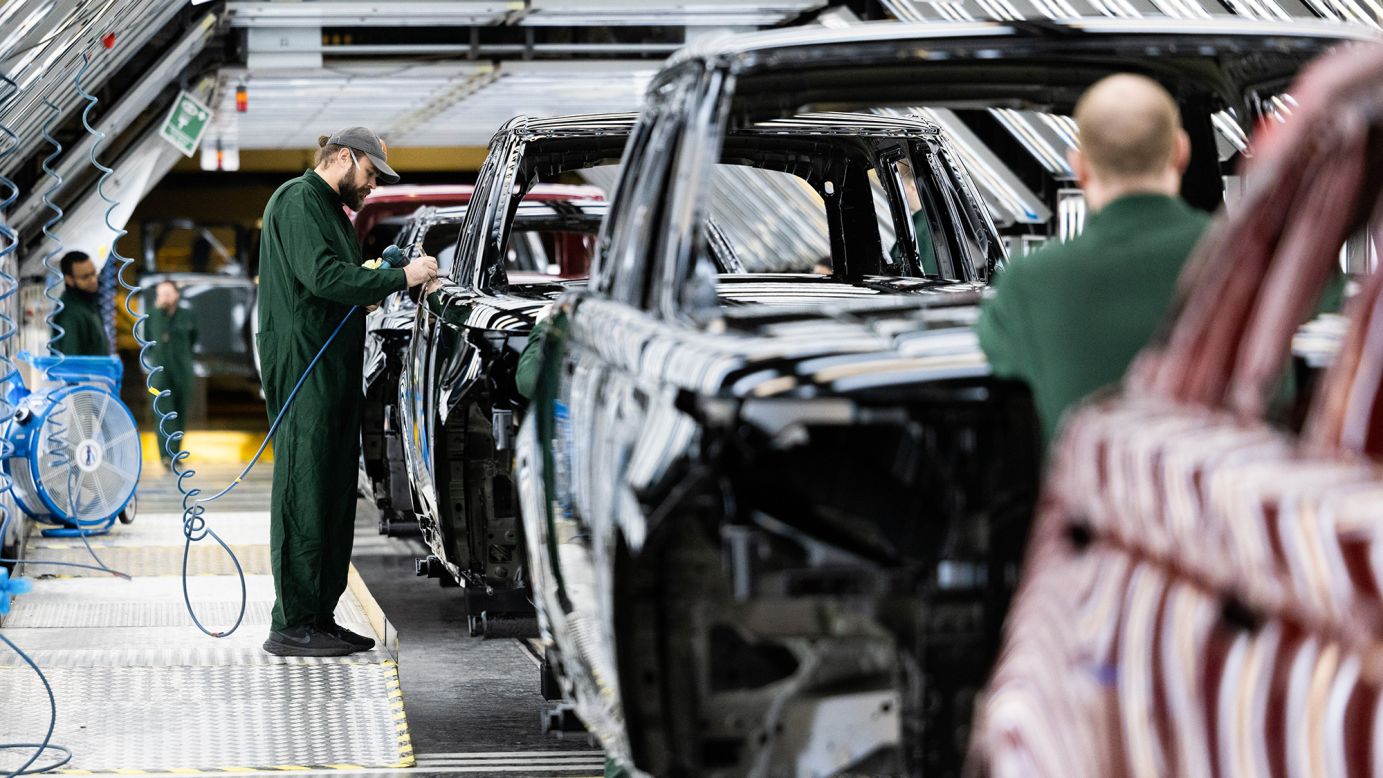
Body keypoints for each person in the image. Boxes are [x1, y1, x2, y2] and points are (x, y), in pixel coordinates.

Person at [257, 127, 438, 657]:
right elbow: (324, 277)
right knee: (305, 488)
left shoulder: (331, 211)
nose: (372, 186)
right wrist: (401, 276)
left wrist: (379, 274)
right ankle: (291, 622)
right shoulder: (297, 200)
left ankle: (320, 615)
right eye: (370, 174)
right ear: (343, 156)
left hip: (332, 367)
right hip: (304, 369)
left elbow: (341, 278)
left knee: (334, 492)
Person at [975, 74, 1210, 445]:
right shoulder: (1259, 260)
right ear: (1181, 152)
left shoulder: (1028, 283)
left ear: (1079, 166)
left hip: (1091, 502)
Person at [146, 280, 197, 469]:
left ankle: (176, 453)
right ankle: (165, 455)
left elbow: (193, 338)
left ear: (177, 294)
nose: (165, 298)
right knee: (163, 412)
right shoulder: (152, 316)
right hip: (159, 373)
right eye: (161, 294)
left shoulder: (187, 315)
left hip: (182, 370)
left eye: (168, 293)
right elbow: (151, 340)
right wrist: (160, 313)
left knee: (180, 413)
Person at [52, 251, 109, 356]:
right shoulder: (70, 314)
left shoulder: (87, 303)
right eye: (85, 277)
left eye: (94, 273)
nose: (93, 280)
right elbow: (71, 362)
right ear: (69, 280)